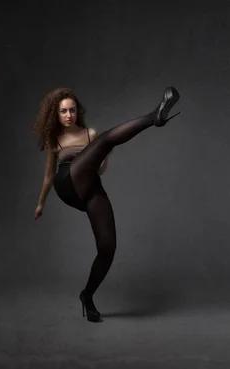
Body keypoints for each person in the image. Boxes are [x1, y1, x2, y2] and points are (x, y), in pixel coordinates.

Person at [32, 86, 180, 322]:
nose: (69, 115)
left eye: (72, 110)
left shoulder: (90, 134)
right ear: (56, 115)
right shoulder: (55, 140)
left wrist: (103, 155)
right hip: (67, 183)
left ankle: (87, 296)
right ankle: (155, 117)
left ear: (77, 111)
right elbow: (49, 176)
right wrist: (41, 204)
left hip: (90, 187)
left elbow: (99, 170)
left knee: (107, 248)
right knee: (105, 141)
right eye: (63, 112)